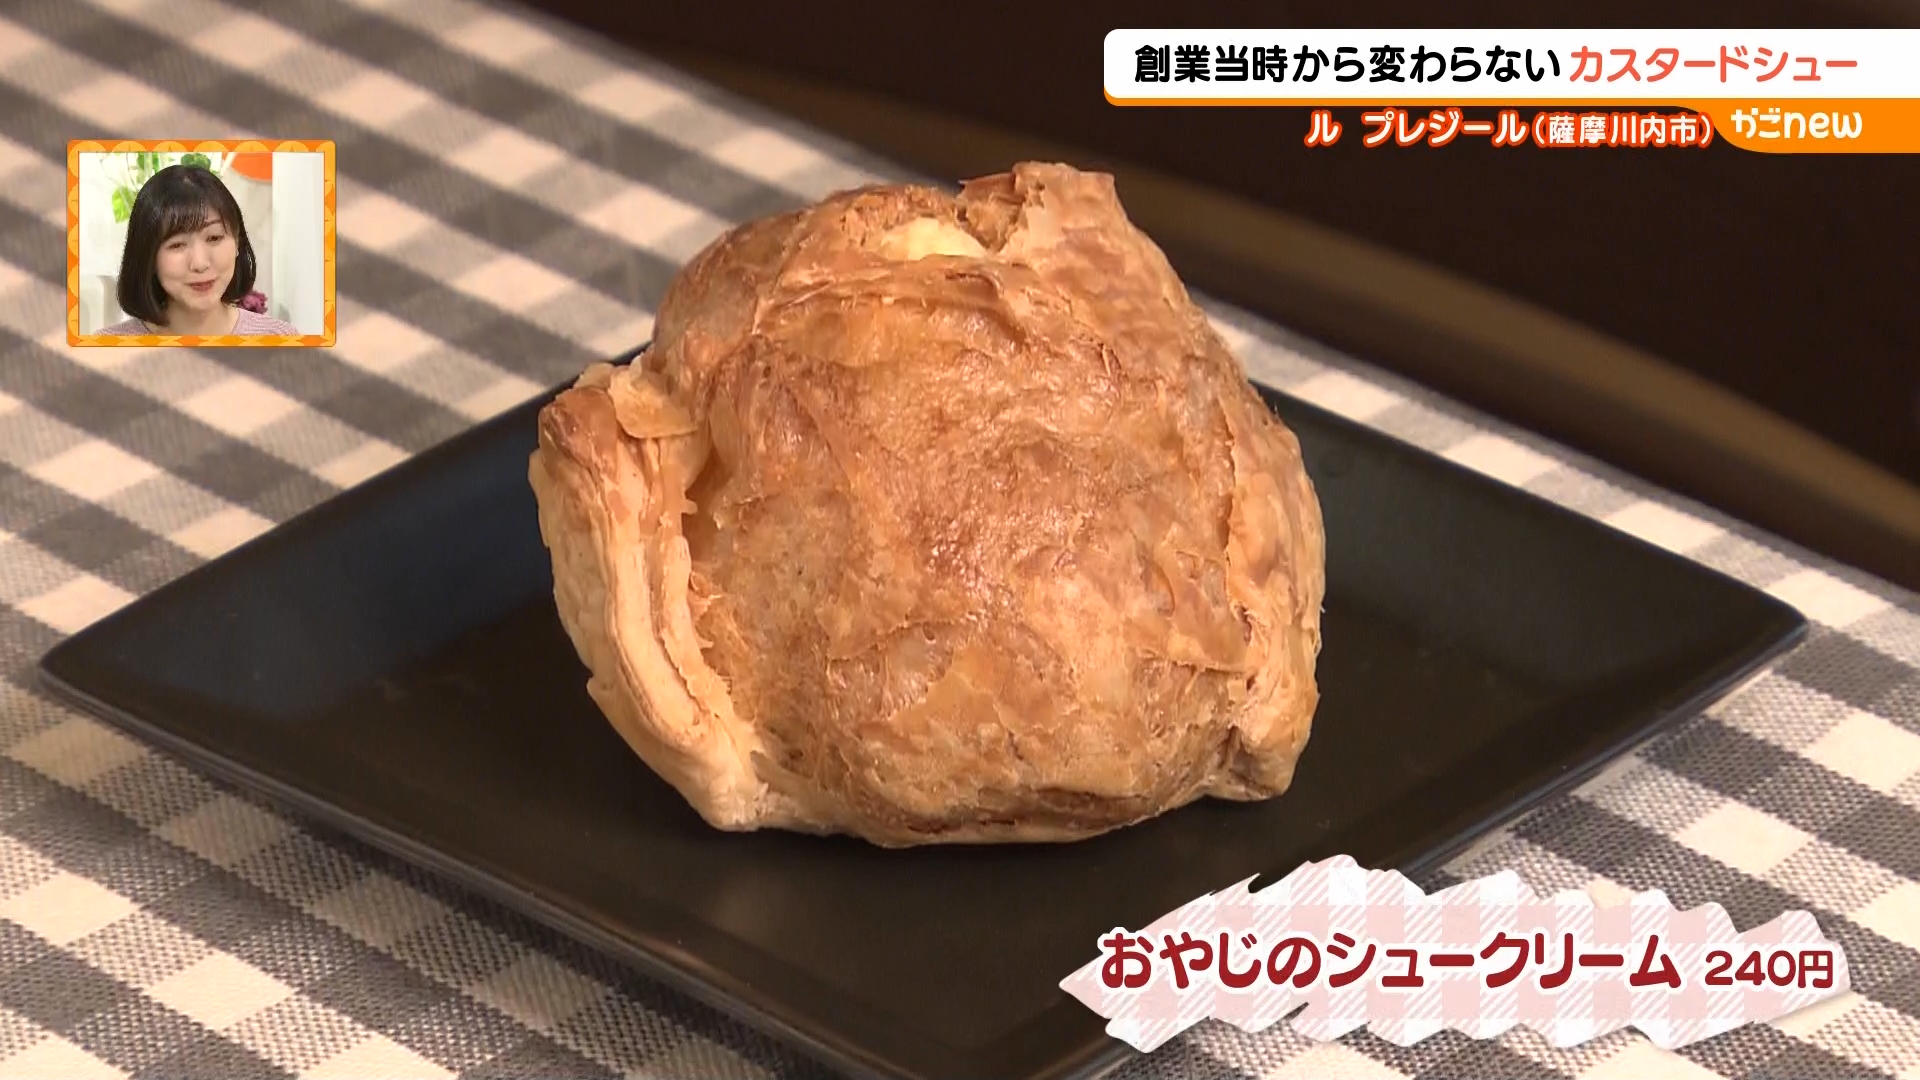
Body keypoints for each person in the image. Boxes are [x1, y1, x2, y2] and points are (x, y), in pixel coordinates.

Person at [96, 163, 302, 338]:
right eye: (177, 245)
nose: (200, 263)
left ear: (238, 243)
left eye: (214, 238)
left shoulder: (280, 338)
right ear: (149, 257)